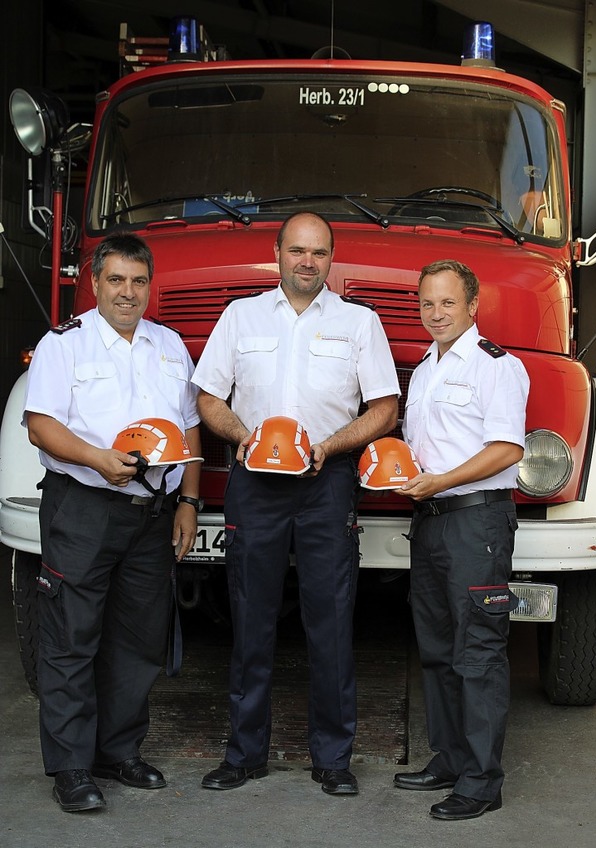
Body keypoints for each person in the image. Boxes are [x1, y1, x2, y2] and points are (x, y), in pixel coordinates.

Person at [192, 211, 399, 796]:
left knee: (330, 622)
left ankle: (333, 759)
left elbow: (385, 408)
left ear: (331, 259)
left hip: (326, 482)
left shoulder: (360, 323)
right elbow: (208, 396)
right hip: (254, 483)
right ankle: (244, 754)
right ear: (277, 252)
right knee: (250, 618)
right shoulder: (241, 316)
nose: (307, 262)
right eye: (297, 251)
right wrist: (241, 437)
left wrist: (330, 447)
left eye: (319, 253)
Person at [23, 232, 202, 813]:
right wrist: (97, 458)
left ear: (150, 287)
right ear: (95, 283)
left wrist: (189, 502)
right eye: (116, 280)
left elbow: (191, 428)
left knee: (138, 640)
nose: (128, 292)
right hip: (83, 509)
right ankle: (72, 767)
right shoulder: (64, 345)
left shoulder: (170, 344)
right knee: (71, 637)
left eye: (138, 281)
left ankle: (118, 751)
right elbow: (40, 425)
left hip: (151, 514)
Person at [393, 259, 529, 821]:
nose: (436, 314)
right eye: (427, 303)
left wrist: (441, 481)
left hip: (476, 523)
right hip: (431, 520)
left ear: (473, 306)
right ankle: (448, 758)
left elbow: (508, 450)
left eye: (448, 303)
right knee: (438, 649)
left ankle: (480, 782)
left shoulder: (496, 366)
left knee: (477, 652)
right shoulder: (425, 368)